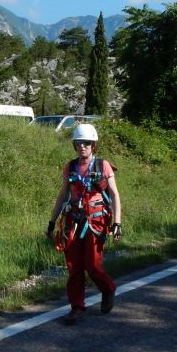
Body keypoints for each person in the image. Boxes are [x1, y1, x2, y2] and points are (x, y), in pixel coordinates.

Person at [47, 124, 121, 324]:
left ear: (93, 145)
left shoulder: (103, 165)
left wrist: (117, 223)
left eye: (86, 143)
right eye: (79, 143)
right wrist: (52, 222)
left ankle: (108, 288)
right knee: (74, 266)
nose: (82, 146)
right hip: (73, 222)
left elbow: (114, 195)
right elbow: (63, 195)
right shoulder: (70, 166)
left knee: (93, 265)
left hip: (96, 222)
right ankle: (76, 306)